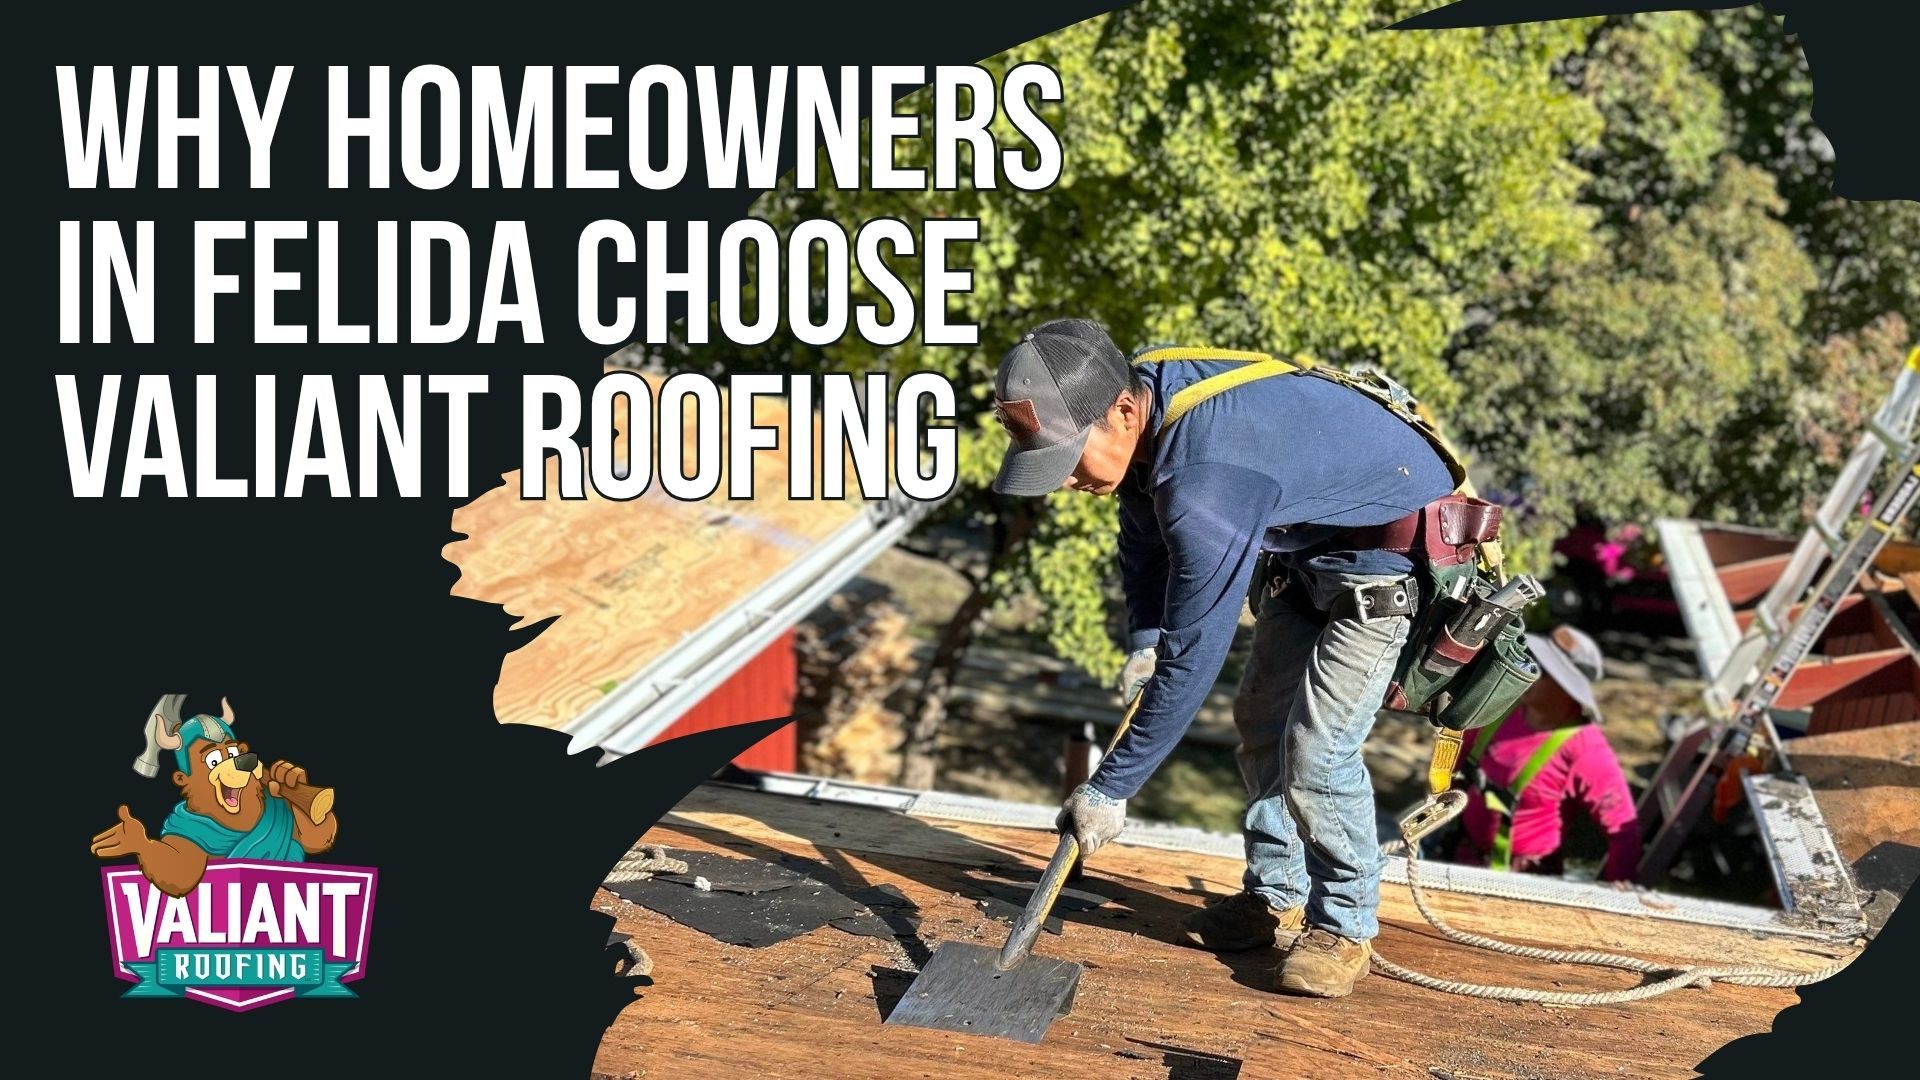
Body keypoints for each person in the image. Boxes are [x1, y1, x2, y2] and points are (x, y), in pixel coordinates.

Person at [989, 319, 1477, 998]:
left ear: (1123, 411)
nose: (1066, 478)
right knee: (1260, 722)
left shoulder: (1206, 477)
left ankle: (1343, 926)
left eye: (1068, 455)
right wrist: (1145, 639)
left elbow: (1197, 657)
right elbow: (1142, 531)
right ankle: (1276, 894)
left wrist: (1111, 787)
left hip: (1385, 565)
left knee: (1318, 750)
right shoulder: (1150, 394)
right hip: (1306, 551)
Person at [1454, 624, 1641, 882]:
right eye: (1529, 658)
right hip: (1460, 857)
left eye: (1541, 669)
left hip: (1526, 881)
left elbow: (1624, 833)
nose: (1527, 670)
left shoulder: (1586, 749)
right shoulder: (1501, 709)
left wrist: (1614, 907)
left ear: (1568, 690)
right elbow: (1456, 767)